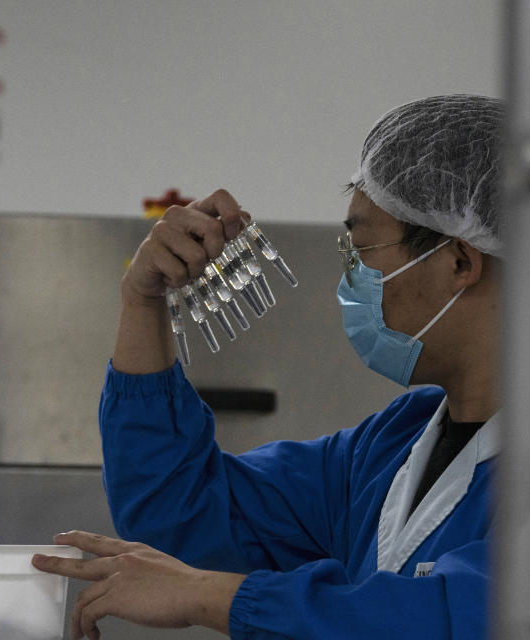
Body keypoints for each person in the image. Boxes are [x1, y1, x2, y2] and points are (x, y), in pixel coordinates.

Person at [32, 94, 503, 639]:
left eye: (363, 249)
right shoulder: (390, 449)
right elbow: (181, 516)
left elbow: (451, 618)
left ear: (460, 262)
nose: (351, 277)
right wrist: (143, 303)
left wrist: (215, 598)